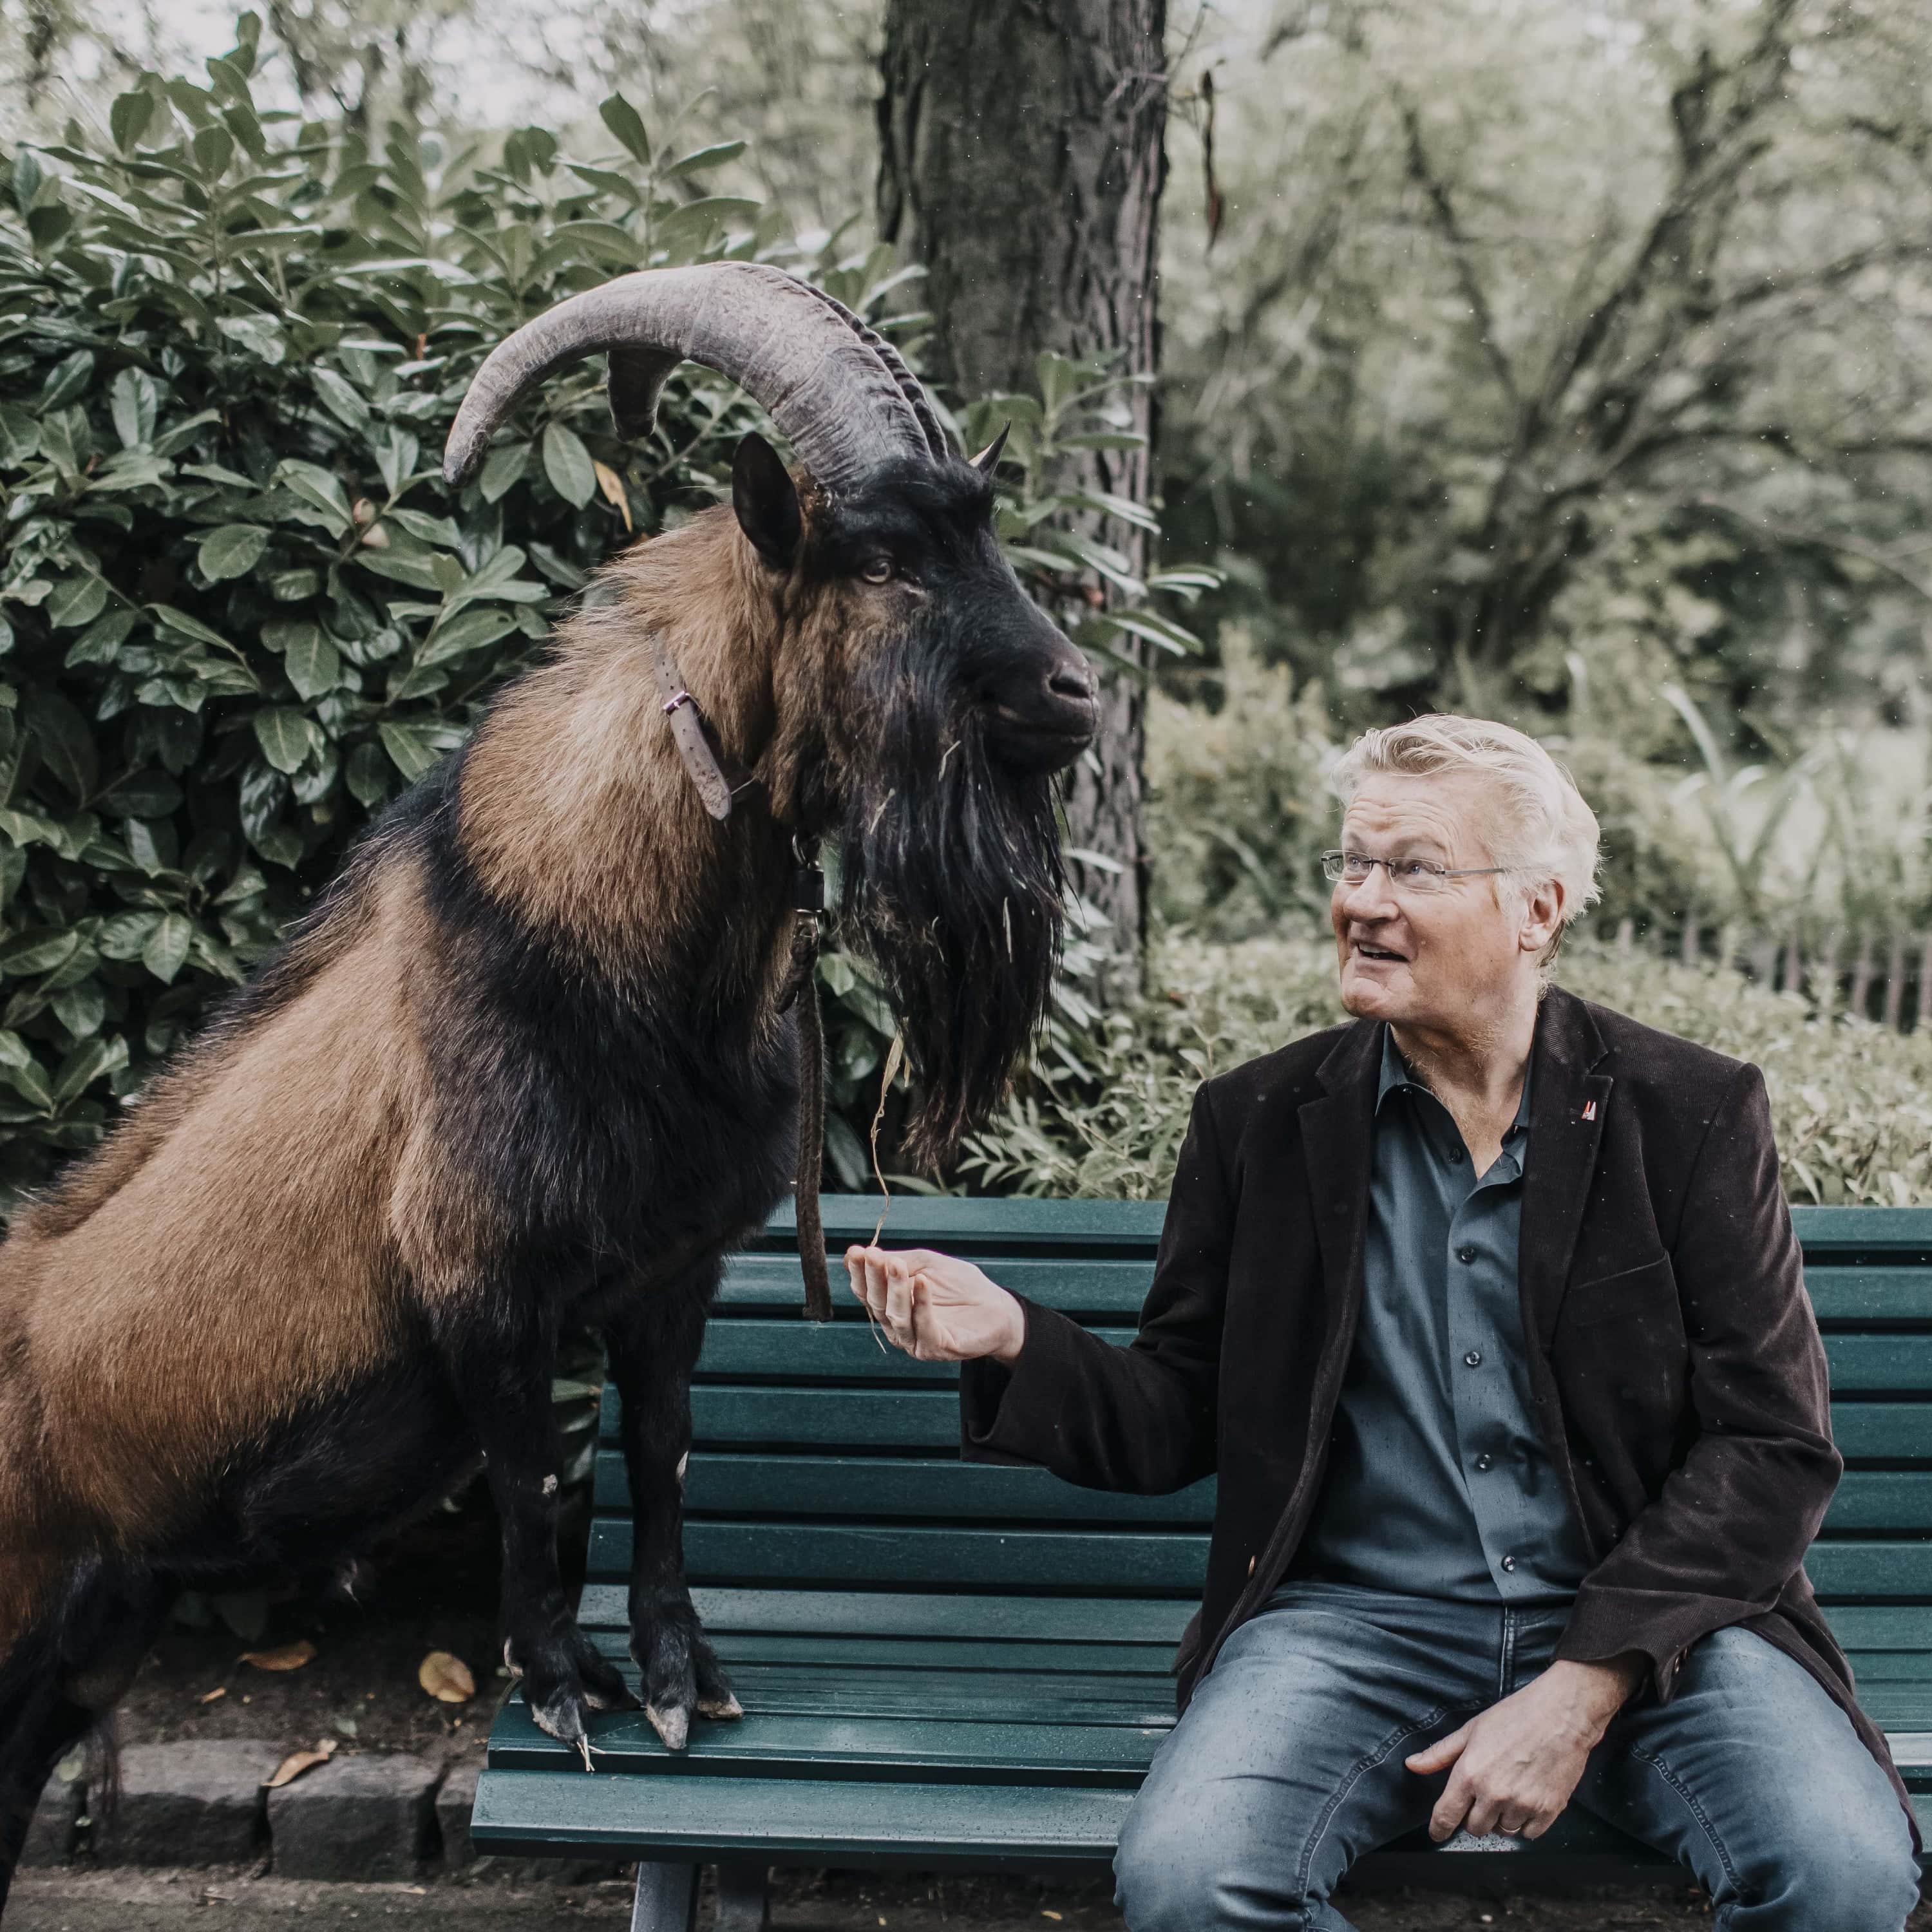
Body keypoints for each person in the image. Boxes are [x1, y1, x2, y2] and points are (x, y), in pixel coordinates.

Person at [845, 716, 1922, 1931]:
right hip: (1354, 1625)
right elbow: (1178, 1416)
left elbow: (1772, 1447)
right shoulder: (1259, 1120)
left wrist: (1579, 1689)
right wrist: (1011, 1338)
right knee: (1194, 1884)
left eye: (1414, 869)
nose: (1363, 900)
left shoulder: (1689, 1112)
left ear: (1539, 910)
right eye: (1352, 864)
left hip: (1657, 1628)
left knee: (1841, 1876)